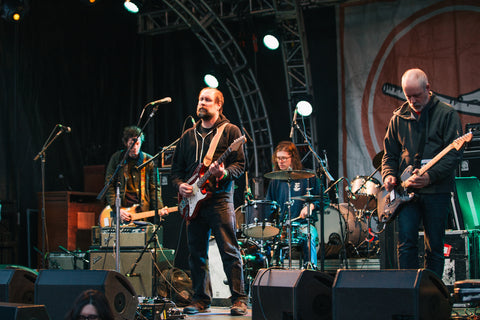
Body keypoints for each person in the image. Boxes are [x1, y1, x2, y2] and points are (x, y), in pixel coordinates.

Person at [170, 87, 248, 316]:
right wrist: (180, 185)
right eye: (200, 99)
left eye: (207, 100)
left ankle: (239, 299)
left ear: (218, 105)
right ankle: (200, 299)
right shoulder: (187, 136)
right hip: (193, 201)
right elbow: (176, 172)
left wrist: (222, 173)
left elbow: (240, 166)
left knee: (229, 250)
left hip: (220, 200)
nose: (201, 103)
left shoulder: (231, 131)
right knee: (196, 253)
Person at [382, 68, 463, 277]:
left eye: (416, 95)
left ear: (428, 88)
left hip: (436, 191)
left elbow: (453, 157)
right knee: (406, 243)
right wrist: (389, 175)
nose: (412, 100)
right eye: (407, 96)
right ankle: (407, 292)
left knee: (434, 246)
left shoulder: (446, 114)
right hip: (406, 192)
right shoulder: (398, 117)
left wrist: (429, 177)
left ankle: (432, 294)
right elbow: (389, 154)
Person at [266, 141, 320, 268]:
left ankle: (310, 269)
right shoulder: (275, 181)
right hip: (282, 228)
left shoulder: (308, 176)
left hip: (303, 225)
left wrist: (311, 206)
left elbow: (324, 199)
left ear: (293, 158)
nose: (281, 161)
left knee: (309, 236)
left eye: (284, 158)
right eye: (278, 158)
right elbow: (269, 206)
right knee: (267, 241)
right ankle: (272, 271)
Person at [105, 126, 169, 224]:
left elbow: (155, 189)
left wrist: (160, 208)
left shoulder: (149, 161)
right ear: (126, 143)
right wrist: (118, 209)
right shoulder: (117, 159)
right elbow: (109, 185)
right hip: (122, 210)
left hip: (140, 212)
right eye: (132, 144)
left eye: (138, 143)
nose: (135, 147)